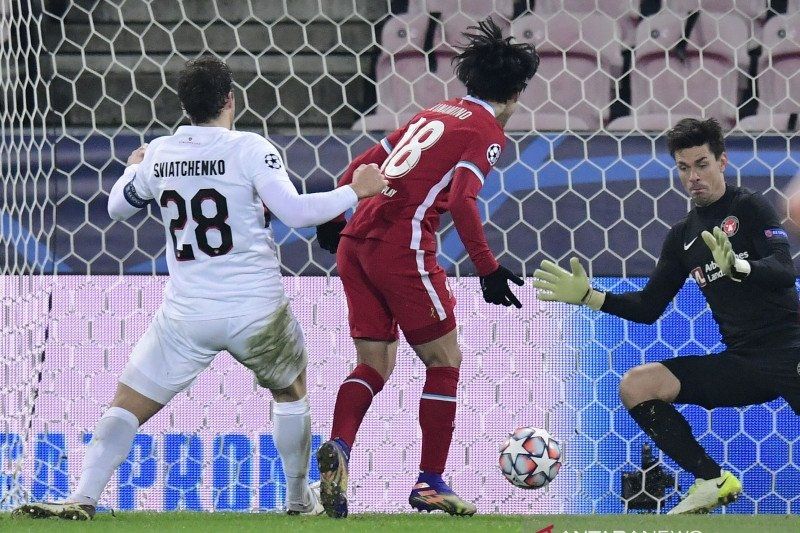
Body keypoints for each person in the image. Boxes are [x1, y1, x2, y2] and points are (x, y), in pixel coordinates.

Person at [12, 56, 388, 520]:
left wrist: (134, 169)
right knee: (291, 394)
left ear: (185, 105)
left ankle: (82, 497)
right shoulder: (250, 148)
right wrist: (358, 190)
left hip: (186, 315)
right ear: (230, 99)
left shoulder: (162, 152)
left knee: (127, 404)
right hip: (256, 312)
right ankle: (297, 501)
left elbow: (114, 209)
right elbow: (295, 212)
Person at [313, 18, 539, 518]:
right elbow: (461, 199)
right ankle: (430, 483)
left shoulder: (434, 110)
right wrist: (488, 268)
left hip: (357, 241)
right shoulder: (486, 130)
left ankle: (340, 449)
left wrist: (335, 210)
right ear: (516, 91)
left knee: (374, 363)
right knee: (444, 360)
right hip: (403, 248)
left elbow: (369, 158)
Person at [533, 117, 800, 514]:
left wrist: (741, 269)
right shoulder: (682, 237)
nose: (694, 176)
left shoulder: (749, 207)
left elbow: (785, 268)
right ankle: (712, 479)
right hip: (743, 362)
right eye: (684, 167)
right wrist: (590, 296)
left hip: (790, 348)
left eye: (702, 164)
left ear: (722, 161)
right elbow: (648, 308)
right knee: (637, 386)